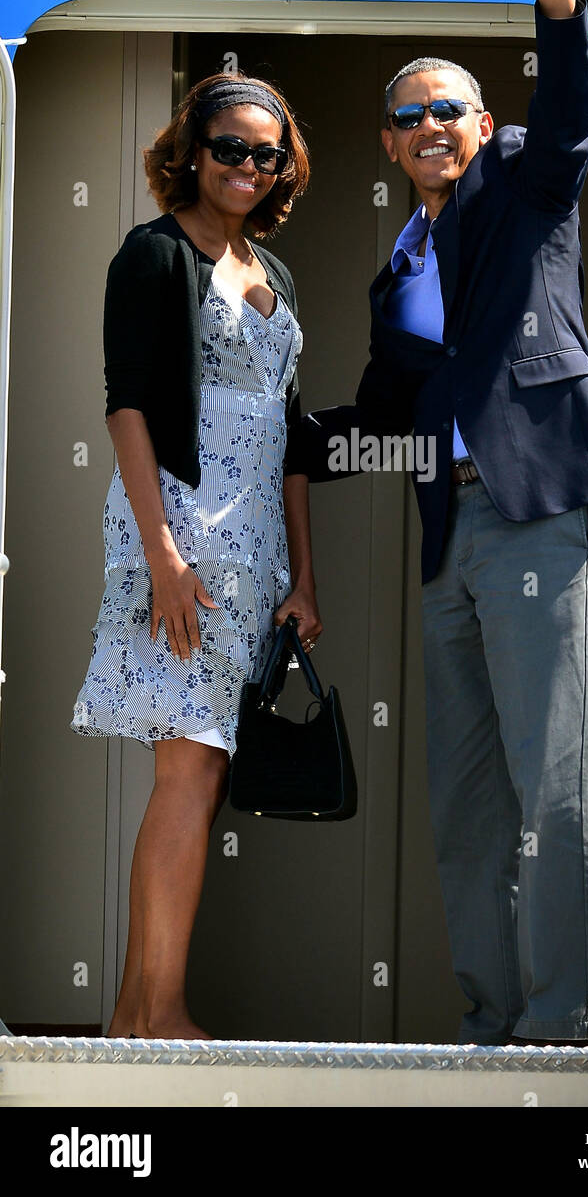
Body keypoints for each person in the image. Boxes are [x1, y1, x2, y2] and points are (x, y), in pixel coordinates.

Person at [284, 0, 588, 1046]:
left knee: (550, 782)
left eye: (449, 106)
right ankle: (491, 1021)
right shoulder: (398, 276)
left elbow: (576, 114)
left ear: (481, 121)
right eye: (408, 114)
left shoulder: (523, 187)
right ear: (387, 144)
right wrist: (266, 438)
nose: (431, 122)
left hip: (544, 507)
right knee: (467, 797)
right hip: (452, 537)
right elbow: (383, 420)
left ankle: (562, 1023)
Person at [71, 72, 322, 1041]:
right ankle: (159, 1010)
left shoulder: (276, 271)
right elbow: (127, 402)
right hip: (177, 530)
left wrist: (306, 575)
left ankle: (136, 1012)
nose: (248, 167)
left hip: (256, 546)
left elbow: (294, 432)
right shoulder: (152, 254)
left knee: (204, 769)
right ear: (192, 150)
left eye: (267, 154)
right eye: (230, 148)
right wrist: (162, 553)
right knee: (188, 768)